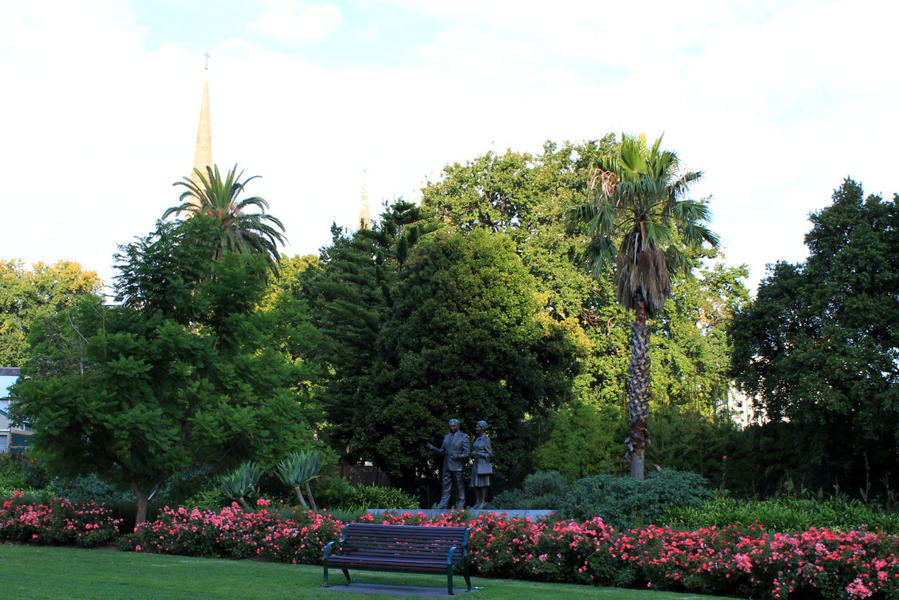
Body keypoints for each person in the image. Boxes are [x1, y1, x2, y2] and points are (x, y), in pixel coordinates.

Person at [426, 418, 470, 509]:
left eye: (453, 426)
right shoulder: (446, 437)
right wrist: (434, 448)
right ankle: (443, 503)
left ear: (458, 426)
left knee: (459, 486)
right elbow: (443, 451)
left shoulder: (464, 436)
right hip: (447, 465)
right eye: (450, 426)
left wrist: (458, 456)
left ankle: (461, 503)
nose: (452, 428)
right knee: (445, 486)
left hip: (457, 466)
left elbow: (467, 453)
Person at [469, 420, 493, 509]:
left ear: (482, 428)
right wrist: (473, 453)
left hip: (483, 463)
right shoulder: (477, 439)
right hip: (476, 462)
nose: (476, 428)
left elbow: (490, 454)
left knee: (483, 483)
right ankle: (477, 501)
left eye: (478, 426)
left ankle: (483, 502)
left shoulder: (486, 439)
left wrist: (479, 454)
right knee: (475, 483)